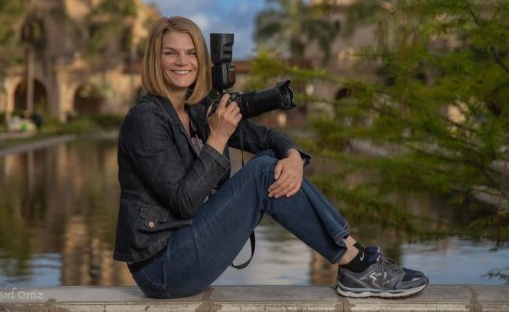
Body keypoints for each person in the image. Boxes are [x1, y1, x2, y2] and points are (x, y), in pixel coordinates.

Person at [113, 16, 429, 299]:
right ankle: (358, 264)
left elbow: (264, 137)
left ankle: (357, 260)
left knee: (270, 159)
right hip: (162, 269)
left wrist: (293, 157)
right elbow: (184, 202)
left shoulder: (197, 109)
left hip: (188, 248)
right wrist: (218, 137)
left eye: (191, 53)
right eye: (171, 53)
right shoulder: (146, 119)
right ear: (155, 60)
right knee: (264, 170)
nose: (183, 61)